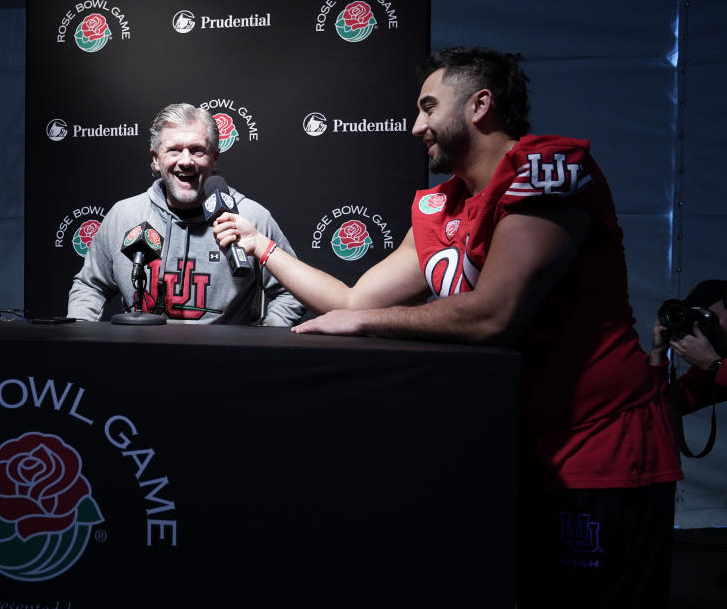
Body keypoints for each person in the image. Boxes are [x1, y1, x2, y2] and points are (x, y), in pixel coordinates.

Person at [214, 46, 684, 607]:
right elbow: (352, 297)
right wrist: (261, 246)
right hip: (510, 454)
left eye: (428, 107)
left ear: (480, 105)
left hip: (598, 452)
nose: (416, 126)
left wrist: (366, 323)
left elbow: (495, 315)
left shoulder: (550, 166)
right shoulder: (442, 206)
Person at [67, 103, 304, 325]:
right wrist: (82, 337)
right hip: (141, 360)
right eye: (174, 150)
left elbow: (293, 291)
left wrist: (262, 343)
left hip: (224, 363)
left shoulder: (250, 217)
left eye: (197, 150)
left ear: (215, 159)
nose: (186, 161)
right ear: (155, 159)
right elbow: (91, 286)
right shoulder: (124, 215)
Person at [649, 279, 727, 420]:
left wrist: (713, 364)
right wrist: (657, 354)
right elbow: (663, 408)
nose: (709, 328)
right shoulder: (716, 356)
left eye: (712, 319)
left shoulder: (714, 362)